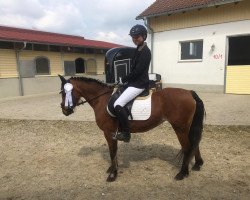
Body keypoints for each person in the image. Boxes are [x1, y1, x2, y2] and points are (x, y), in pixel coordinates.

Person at [113, 24, 151, 143]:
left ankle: (126, 133)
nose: (134, 39)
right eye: (133, 37)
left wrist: (124, 79)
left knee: (118, 104)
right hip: (134, 82)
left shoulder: (145, 51)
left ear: (144, 36)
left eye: (137, 37)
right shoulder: (138, 49)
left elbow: (138, 71)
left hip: (139, 84)